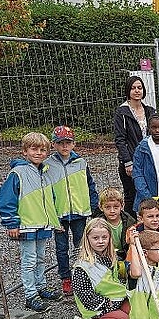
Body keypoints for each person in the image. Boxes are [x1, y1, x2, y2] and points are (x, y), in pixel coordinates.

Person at [0, 132, 62, 312]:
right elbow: (6, 199)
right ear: (25, 151)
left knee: (41, 258)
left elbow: (50, 198)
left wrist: (54, 219)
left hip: (42, 223)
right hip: (26, 224)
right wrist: (11, 223)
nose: (39, 153)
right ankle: (30, 294)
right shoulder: (18, 173)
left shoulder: (45, 172)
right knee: (29, 260)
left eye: (43, 150)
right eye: (34, 149)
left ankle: (41, 287)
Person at [45, 125, 99, 296]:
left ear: (74, 144)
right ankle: (66, 277)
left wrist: (93, 204)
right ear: (54, 145)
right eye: (60, 143)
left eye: (68, 143)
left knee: (81, 245)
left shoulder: (81, 162)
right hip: (59, 214)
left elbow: (90, 184)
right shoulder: (47, 165)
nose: (64, 146)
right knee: (61, 248)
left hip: (79, 212)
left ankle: (82, 274)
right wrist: (50, 214)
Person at [69, 218, 130, 319]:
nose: (101, 241)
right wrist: (108, 303)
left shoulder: (111, 256)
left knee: (136, 314)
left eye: (104, 237)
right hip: (98, 305)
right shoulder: (82, 267)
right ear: (87, 239)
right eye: (95, 238)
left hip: (117, 298)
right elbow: (86, 296)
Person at [113, 75, 156, 217]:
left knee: (149, 194)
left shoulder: (150, 111)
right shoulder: (122, 112)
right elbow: (120, 140)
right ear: (128, 91)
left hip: (148, 160)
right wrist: (127, 162)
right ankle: (130, 228)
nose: (137, 91)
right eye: (133, 88)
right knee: (131, 196)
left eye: (139, 88)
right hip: (131, 161)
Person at [98, 187, 136, 260]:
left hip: (126, 255)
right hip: (105, 256)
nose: (112, 211)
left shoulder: (130, 222)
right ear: (101, 207)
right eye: (107, 207)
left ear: (122, 206)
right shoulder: (98, 224)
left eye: (116, 207)